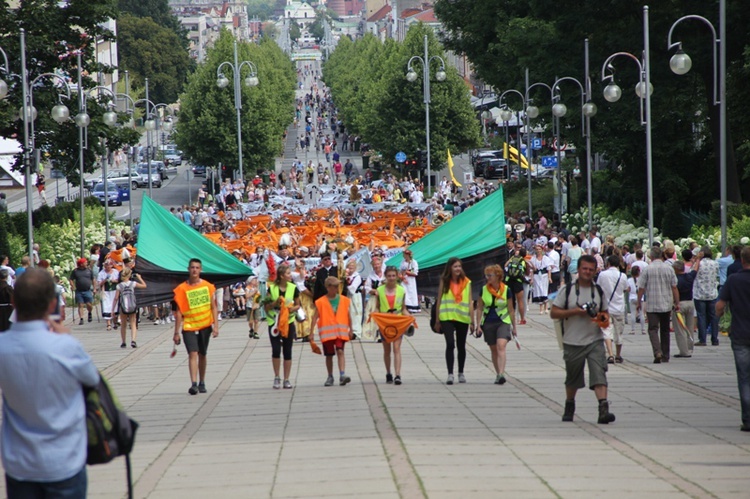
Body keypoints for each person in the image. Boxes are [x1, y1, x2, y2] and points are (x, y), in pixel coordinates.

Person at [0, 269, 99, 497]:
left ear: (13, 301)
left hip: (20, 462)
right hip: (64, 459)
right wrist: (65, 337)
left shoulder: (3, 347)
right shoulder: (64, 346)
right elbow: (92, 379)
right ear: (53, 303)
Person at [550, 255, 615, 424]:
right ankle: (569, 404)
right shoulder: (568, 290)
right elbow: (554, 313)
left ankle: (603, 409)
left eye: (591, 270)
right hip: (572, 340)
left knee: (599, 373)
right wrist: (575, 312)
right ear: (578, 269)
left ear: (595, 271)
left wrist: (599, 318)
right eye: (584, 268)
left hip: (594, 340)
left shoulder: (598, 291)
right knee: (573, 378)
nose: (587, 272)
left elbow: (605, 317)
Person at [172, 259, 219, 395]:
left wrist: (216, 326)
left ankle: (202, 381)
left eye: (197, 268)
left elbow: (213, 307)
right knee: (192, 353)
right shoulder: (181, 289)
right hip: (189, 326)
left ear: (200, 270)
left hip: (205, 324)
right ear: (188, 269)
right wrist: (176, 333)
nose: (194, 270)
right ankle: (193, 384)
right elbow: (179, 312)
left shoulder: (208, 286)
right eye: (192, 267)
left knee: (202, 354)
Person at [716, 246, 750, 432]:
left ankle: (747, 419)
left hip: (740, 334)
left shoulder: (733, 280)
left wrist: (721, 316)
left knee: (744, 378)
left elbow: (719, 306)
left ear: (741, 260)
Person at [435, 257, 475, 385]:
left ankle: (461, 372)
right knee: (450, 344)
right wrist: (437, 320)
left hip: (462, 317)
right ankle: (450, 374)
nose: (458, 269)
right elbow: (439, 299)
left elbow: (470, 302)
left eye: (459, 266)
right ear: (450, 268)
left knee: (461, 346)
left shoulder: (467, 282)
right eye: (455, 266)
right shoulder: (444, 281)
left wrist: (472, 321)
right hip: (446, 316)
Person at [637, 246, 679, 363]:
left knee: (653, 329)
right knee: (665, 330)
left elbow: (641, 287)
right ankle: (665, 355)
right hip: (666, 303)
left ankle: (657, 352)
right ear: (661, 255)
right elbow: (674, 286)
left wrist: (639, 301)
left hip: (652, 304)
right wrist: (677, 302)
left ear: (651, 256)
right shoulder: (669, 268)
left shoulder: (647, 269)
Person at [476, 264, 517, 385]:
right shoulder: (483, 290)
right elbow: (479, 308)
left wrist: (514, 327)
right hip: (488, 322)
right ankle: (498, 373)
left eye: (490, 275)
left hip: (503, 321)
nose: (487, 277)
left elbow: (511, 309)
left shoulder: (506, 290)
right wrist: (478, 325)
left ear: (498, 276)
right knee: (494, 349)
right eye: (486, 275)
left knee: (501, 345)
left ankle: (501, 373)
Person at [311, 276, 353, 386]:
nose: (337, 288)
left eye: (337, 286)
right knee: (329, 355)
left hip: (340, 332)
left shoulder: (343, 300)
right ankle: (330, 376)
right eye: (335, 286)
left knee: (340, 351)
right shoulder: (321, 302)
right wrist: (311, 333)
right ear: (328, 287)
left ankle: (342, 374)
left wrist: (351, 329)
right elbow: (315, 317)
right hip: (328, 334)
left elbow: (348, 315)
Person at [265, 264, 301, 390]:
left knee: (287, 350)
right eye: (288, 273)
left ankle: (286, 379)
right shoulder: (272, 288)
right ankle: (276, 377)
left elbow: (298, 305)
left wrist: (292, 309)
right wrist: (275, 303)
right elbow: (266, 306)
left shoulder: (293, 288)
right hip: (274, 322)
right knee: (275, 350)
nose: (290, 275)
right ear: (281, 276)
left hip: (288, 322)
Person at [378, 266, 409, 385]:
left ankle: (398, 374)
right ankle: (388, 372)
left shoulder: (401, 290)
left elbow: (403, 308)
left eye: (393, 276)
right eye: (389, 276)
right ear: (385, 276)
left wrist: (410, 317)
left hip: (397, 323)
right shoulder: (379, 290)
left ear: (397, 277)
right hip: (384, 323)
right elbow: (377, 306)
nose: (391, 278)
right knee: (387, 350)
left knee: (397, 348)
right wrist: (376, 315)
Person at [597, 255, 628, 364]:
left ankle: (610, 354)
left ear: (608, 264)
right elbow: (626, 288)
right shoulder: (622, 276)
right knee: (619, 332)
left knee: (606, 331)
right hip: (619, 307)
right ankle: (618, 355)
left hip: (604, 308)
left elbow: (598, 289)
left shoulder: (602, 275)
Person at [693, 246, 720, 346]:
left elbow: (693, 272)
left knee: (701, 316)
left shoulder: (698, 263)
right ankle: (714, 339)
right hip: (712, 293)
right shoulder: (715, 263)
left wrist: (697, 259)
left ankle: (702, 339)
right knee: (713, 316)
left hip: (700, 293)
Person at [114, 267, 146, 349]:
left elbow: (116, 298)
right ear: (129, 275)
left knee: (123, 325)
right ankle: (133, 340)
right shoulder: (133, 283)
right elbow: (144, 286)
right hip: (132, 305)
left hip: (123, 306)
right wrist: (139, 278)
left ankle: (124, 342)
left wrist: (112, 309)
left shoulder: (119, 286)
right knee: (133, 323)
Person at [672, 261, 696, 358]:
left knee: (680, 329)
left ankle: (684, 351)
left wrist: (676, 303)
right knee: (690, 327)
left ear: (676, 269)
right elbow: (695, 269)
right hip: (690, 303)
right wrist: (698, 259)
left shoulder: (675, 280)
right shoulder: (689, 276)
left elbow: (674, 290)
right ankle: (690, 348)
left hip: (680, 304)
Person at [504, 248, 528, 324]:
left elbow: (506, 265)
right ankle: (522, 319)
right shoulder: (523, 261)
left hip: (510, 280)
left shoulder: (513, 258)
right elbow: (523, 272)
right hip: (518, 281)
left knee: (510, 300)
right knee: (520, 301)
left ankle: (510, 318)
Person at [69, 257, 94, 325]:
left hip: (87, 290)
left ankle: (89, 312)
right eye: (85, 262)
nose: (86, 263)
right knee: (80, 304)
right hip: (79, 291)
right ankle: (81, 318)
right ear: (81, 264)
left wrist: (94, 288)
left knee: (89, 304)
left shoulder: (89, 271)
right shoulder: (75, 271)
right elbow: (71, 279)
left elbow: (93, 279)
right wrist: (73, 286)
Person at [97, 259, 119, 331]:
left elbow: (119, 280)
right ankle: (108, 324)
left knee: (114, 306)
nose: (108, 266)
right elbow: (99, 283)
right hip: (105, 291)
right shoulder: (101, 273)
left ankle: (115, 322)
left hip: (114, 291)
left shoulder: (115, 272)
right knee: (107, 306)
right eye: (106, 265)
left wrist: (114, 280)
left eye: (109, 265)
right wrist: (105, 280)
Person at [530, 245, 553, 314]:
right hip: (536, 276)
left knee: (544, 290)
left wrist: (549, 277)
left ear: (542, 250)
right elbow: (532, 270)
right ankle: (541, 308)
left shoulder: (546, 258)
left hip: (544, 275)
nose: (538, 250)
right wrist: (531, 279)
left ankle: (546, 307)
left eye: (539, 249)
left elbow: (549, 269)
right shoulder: (533, 259)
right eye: (537, 249)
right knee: (538, 290)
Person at [399, 249, 420, 313]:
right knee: (404, 292)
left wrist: (406, 272)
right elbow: (400, 270)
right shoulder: (402, 262)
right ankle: (404, 305)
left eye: (405, 255)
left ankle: (412, 306)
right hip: (403, 280)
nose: (404, 256)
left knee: (411, 292)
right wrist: (402, 277)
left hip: (410, 280)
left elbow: (415, 273)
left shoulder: (413, 262)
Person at [626, 266, 644, 334]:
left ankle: (633, 329)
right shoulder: (641, 279)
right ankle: (643, 329)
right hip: (640, 298)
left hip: (632, 298)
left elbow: (628, 289)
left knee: (633, 313)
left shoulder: (629, 280)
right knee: (641, 313)